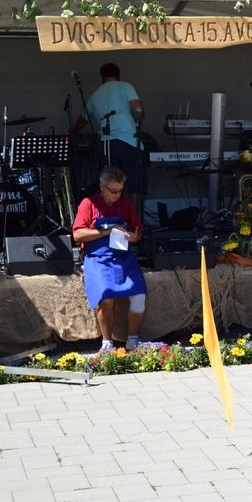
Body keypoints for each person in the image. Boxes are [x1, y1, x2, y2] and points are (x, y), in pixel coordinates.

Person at [72, 167, 147, 352]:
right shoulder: (88, 204)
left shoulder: (125, 203)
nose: (117, 195)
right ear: (102, 187)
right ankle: (107, 344)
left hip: (123, 257)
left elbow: (138, 232)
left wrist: (133, 236)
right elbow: (78, 234)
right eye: (113, 191)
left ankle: (133, 341)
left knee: (139, 296)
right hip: (98, 258)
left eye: (120, 190)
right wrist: (106, 232)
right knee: (106, 297)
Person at [72, 63, 146, 212]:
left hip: (106, 146)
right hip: (128, 142)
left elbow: (82, 120)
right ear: (118, 75)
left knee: (112, 186)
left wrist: (72, 130)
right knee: (136, 186)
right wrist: (138, 124)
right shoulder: (125, 86)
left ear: (102, 77)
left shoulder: (95, 95)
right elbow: (138, 108)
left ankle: (116, 220)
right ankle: (136, 221)